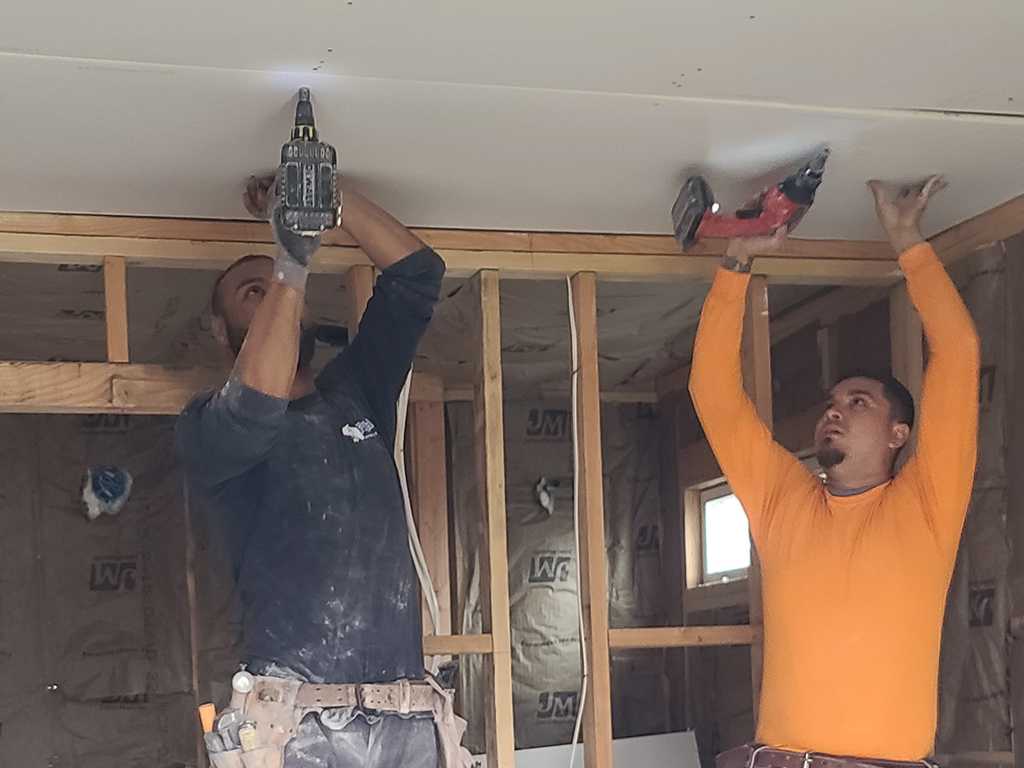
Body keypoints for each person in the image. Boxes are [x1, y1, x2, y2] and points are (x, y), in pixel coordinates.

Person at [176, 174, 469, 768]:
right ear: (219, 330)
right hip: (295, 724)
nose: (274, 296)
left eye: (277, 290)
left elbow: (417, 277)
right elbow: (258, 401)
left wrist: (325, 195)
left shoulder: (356, 393)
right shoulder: (208, 428)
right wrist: (291, 259)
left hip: (406, 714)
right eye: (250, 294)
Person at [688, 176, 979, 765]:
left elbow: (959, 354)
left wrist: (908, 243)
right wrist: (737, 263)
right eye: (832, 401)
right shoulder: (783, 501)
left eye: (858, 402)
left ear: (900, 434)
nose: (833, 411)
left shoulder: (927, 503)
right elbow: (712, 392)